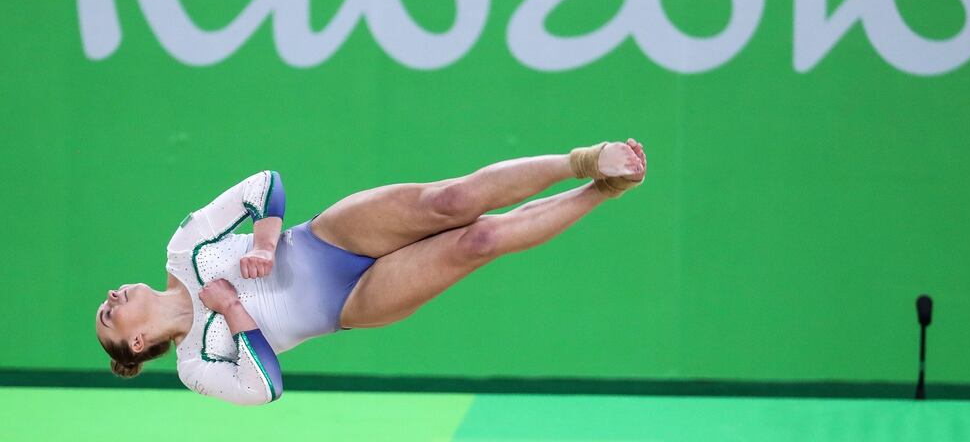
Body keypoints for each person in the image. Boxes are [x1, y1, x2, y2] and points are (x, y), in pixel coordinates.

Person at [95, 139, 647, 405]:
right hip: (353, 302)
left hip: (328, 236)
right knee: (479, 240)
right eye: (108, 315)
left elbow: (265, 185)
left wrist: (265, 240)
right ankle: (602, 191)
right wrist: (233, 308)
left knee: (450, 201)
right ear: (138, 341)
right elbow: (265, 387)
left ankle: (582, 161)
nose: (112, 296)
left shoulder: (183, 251)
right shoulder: (196, 363)